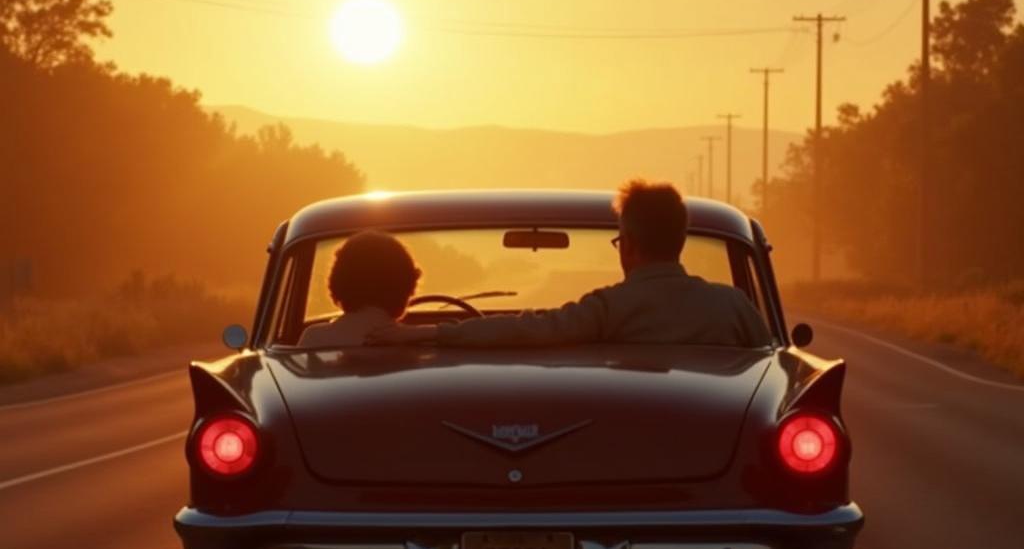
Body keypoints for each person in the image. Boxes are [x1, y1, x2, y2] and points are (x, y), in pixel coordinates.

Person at [367, 180, 771, 349]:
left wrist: (426, 334)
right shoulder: (733, 306)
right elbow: (770, 359)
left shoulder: (610, 309)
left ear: (626, 245)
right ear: (680, 240)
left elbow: (528, 329)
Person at [298, 230, 421, 347]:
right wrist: (429, 333)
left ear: (340, 281)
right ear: (405, 285)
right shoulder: (416, 344)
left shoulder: (314, 338)